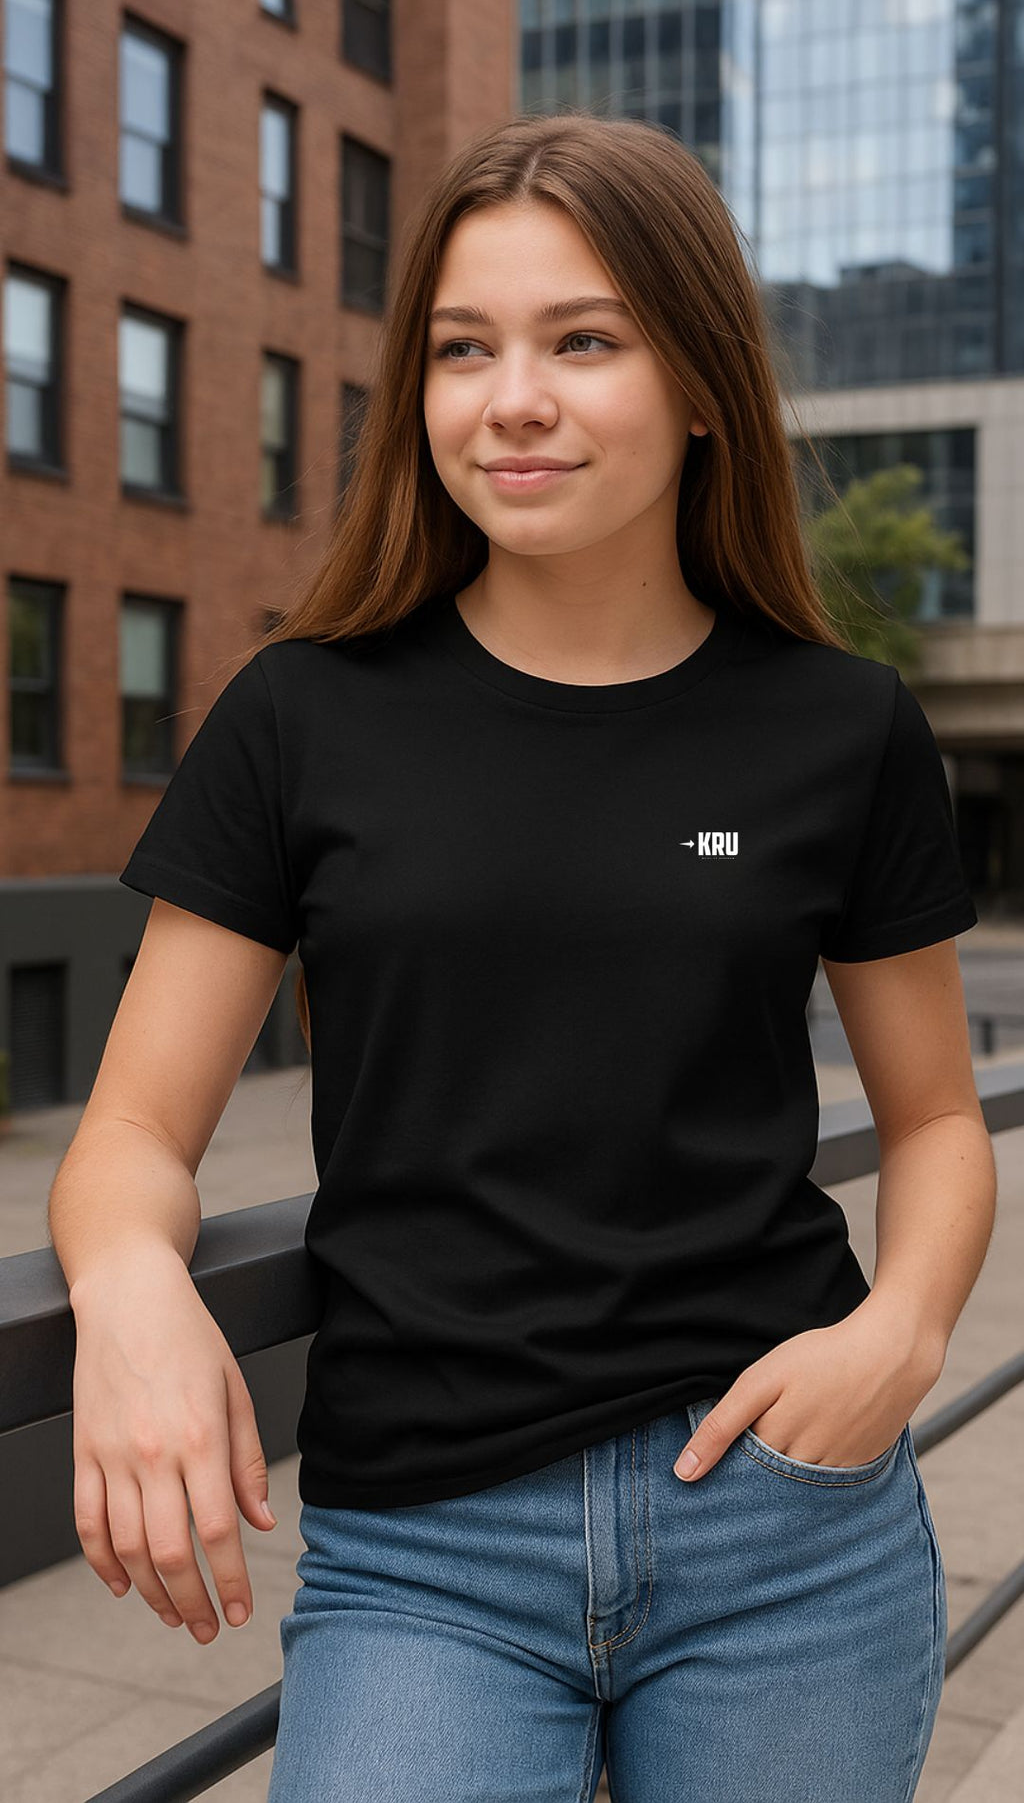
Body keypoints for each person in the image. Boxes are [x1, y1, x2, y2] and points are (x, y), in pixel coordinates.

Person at [49, 111, 996, 1802]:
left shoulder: (838, 726)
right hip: (427, 1551)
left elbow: (932, 1119)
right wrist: (128, 1296)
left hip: (784, 1520)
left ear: (703, 381)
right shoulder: (299, 716)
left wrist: (904, 1338)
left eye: (586, 342)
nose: (514, 401)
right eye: (463, 348)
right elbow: (128, 1134)